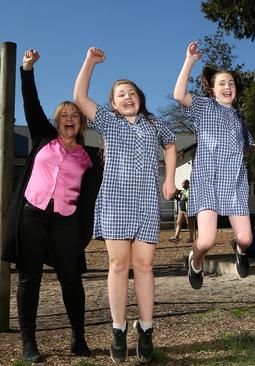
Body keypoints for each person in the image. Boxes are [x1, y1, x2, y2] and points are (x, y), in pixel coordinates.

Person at [74, 47, 177, 364]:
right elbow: (79, 97)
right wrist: (90, 62)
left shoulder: (154, 123)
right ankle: (118, 329)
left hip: (146, 200)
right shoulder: (108, 121)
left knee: (144, 266)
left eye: (131, 92)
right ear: (113, 102)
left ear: (140, 97)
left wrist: (169, 178)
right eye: (121, 94)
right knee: (119, 265)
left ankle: (145, 329)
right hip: (116, 200)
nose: (127, 97)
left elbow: (172, 144)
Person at [1, 49, 102, 363]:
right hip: (32, 215)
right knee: (29, 278)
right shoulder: (44, 139)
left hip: (66, 221)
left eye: (74, 116)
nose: (69, 120)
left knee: (70, 279)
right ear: (57, 122)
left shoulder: (90, 156)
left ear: (81, 122)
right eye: (64, 116)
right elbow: (31, 104)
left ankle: (78, 336)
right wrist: (27, 70)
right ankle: (29, 344)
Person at [174, 41, 255, 282]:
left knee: (247, 239)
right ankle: (195, 261)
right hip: (207, 180)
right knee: (206, 240)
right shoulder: (204, 107)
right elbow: (179, 95)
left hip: (235, 182)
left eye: (231, 83)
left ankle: (239, 252)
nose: (228, 87)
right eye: (222, 83)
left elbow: (248, 148)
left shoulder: (238, 118)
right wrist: (189, 61)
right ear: (212, 90)